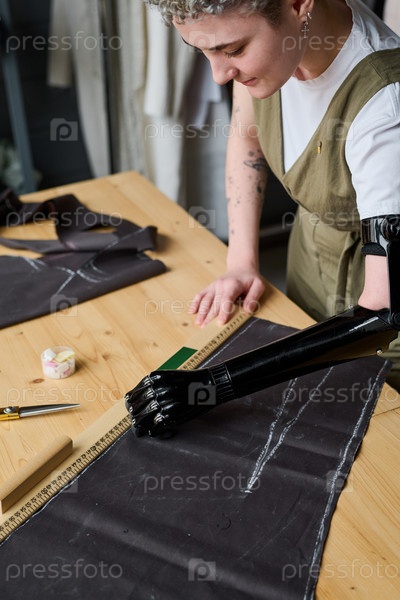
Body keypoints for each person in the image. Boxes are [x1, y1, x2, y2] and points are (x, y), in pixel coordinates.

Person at [125, 0, 400, 437]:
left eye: (233, 50)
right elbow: (246, 136)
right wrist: (241, 261)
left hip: (379, 331)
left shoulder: (386, 107)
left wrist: (211, 386)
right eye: (204, 51)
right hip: (311, 263)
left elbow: (384, 314)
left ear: (298, 5)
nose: (219, 74)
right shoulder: (278, 54)